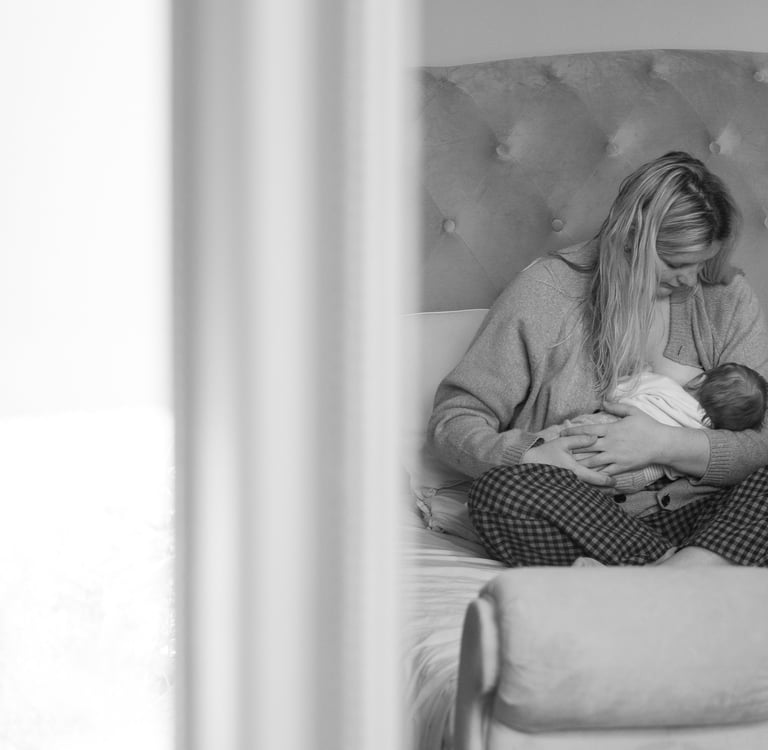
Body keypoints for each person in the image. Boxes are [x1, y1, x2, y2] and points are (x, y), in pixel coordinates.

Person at [427, 151, 768, 567]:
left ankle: (675, 571)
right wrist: (529, 455)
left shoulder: (726, 298)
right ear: (630, 240)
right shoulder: (547, 293)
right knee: (497, 495)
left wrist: (664, 443)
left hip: (710, 516)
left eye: (703, 262)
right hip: (589, 516)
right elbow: (453, 422)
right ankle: (692, 572)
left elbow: (762, 441)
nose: (691, 281)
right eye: (676, 263)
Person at [536, 362, 768, 495]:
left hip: (604, 429)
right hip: (637, 475)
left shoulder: (664, 385)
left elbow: (614, 392)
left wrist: (641, 372)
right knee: (582, 488)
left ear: (699, 380)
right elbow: (676, 471)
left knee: (548, 443)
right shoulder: (703, 436)